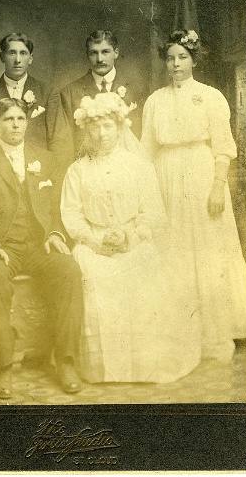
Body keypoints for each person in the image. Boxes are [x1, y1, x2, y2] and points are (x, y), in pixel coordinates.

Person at [61, 92, 201, 383]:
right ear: (86, 130)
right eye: (95, 127)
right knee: (91, 275)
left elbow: (153, 213)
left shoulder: (139, 166)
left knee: (144, 273)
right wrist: (97, 241)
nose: (101, 134)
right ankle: (103, 370)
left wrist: (132, 236)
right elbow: (72, 216)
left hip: (133, 240)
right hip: (93, 244)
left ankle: (145, 366)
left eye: (108, 126)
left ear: (119, 127)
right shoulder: (77, 171)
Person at [0, 98, 84, 399]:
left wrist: (55, 234)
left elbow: (57, 207)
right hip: (4, 247)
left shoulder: (45, 158)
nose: (15, 125)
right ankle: (3, 368)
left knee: (69, 269)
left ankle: (65, 362)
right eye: (7, 119)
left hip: (39, 245)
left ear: (27, 123)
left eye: (19, 119)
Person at [140, 29, 246, 363]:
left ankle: (217, 334)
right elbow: (146, 150)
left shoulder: (211, 96)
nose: (176, 64)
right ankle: (177, 332)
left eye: (182, 57)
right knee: (172, 250)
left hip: (202, 175)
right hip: (165, 177)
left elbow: (223, 147)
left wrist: (218, 185)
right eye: (170, 58)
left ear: (193, 60)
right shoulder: (155, 100)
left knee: (207, 250)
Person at [48, 30, 141, 170]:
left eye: (105, 52)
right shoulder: (69, 93)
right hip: (87, 171)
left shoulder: (135, 89)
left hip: (128, 170)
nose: (99, 59)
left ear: (116, 52)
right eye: (93, 53)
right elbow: (65, 145)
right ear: (87, 55)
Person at [0, 32, 50, 149]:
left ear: (30, 58)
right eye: (12, 53)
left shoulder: (48, 93)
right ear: (2, 57)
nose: (17, 60)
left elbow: (59, 140)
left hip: (37, 164)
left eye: (23, 53)